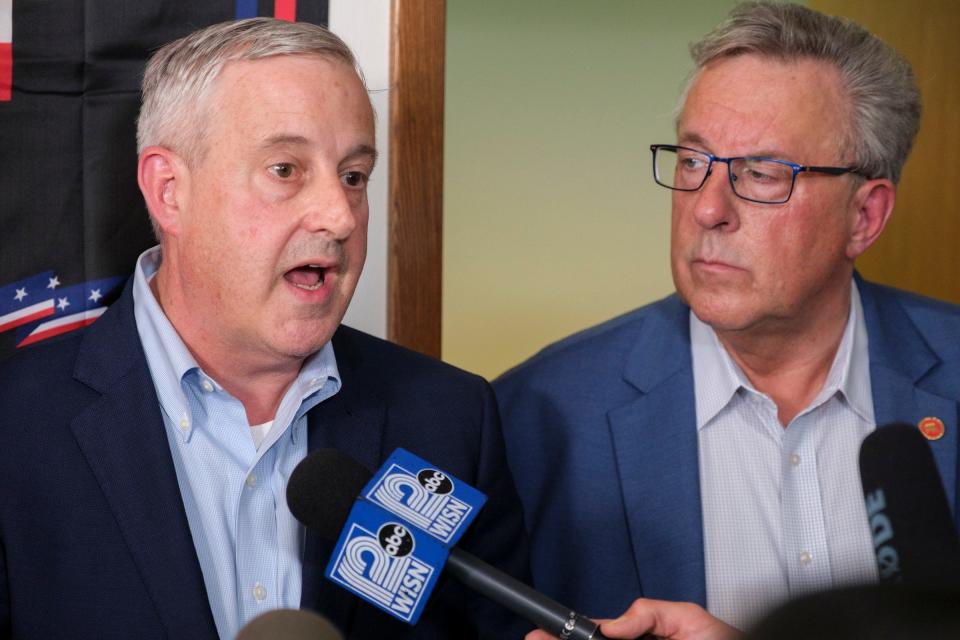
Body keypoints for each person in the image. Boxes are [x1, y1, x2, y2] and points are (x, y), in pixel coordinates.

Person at [0, 18, 531, 640]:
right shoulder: (14, 426)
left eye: (354, 176)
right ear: (169, 191)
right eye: (286, 169)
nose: (339, 216)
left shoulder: (450, 417)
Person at [495, 2, 960, 638]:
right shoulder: (538, 414)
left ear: (864, 217)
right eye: (693, 161)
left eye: (762, 174)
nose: (708, 208)